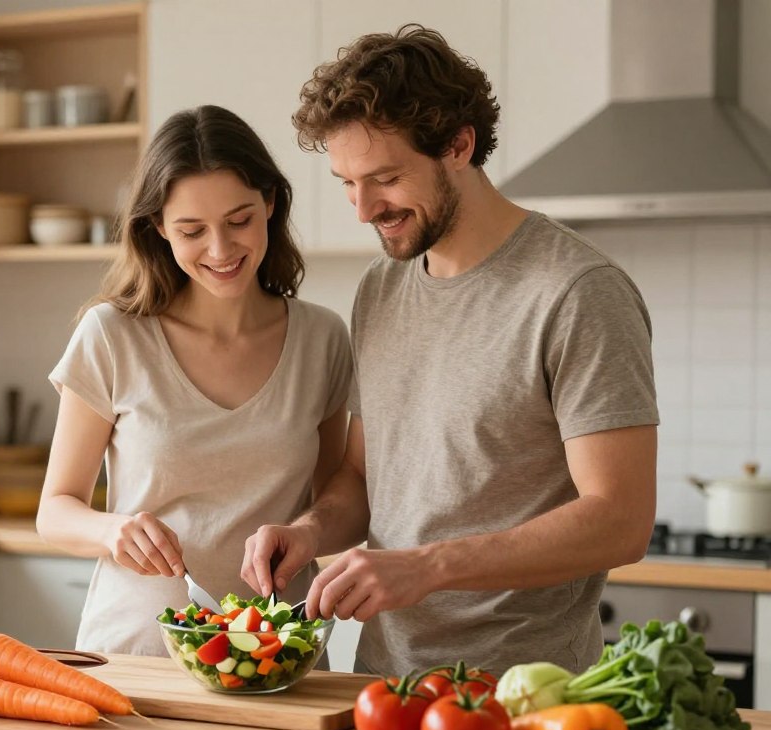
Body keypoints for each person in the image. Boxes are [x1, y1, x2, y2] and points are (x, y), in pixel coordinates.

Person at [240, 24, 659, 677]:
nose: (363, 209)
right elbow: (360, 475)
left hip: (529, 693)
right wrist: (311, 532)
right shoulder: (381, 289)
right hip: (384, 686)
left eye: (384, 178)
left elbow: (621, 520)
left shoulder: (576, 293)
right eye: (347, 182)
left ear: (458, 146)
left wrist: (429, 567)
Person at [37, 105, 352, 657]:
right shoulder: (112, 335)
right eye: (192, 230)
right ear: (158, 227)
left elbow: (337, 506)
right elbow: (55, 510)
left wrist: (308, 533)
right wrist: (112, 531)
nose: (221, 249)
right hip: (137, 656)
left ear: (270, 204)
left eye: (239, 221)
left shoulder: (321, 339)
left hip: (280, 657)